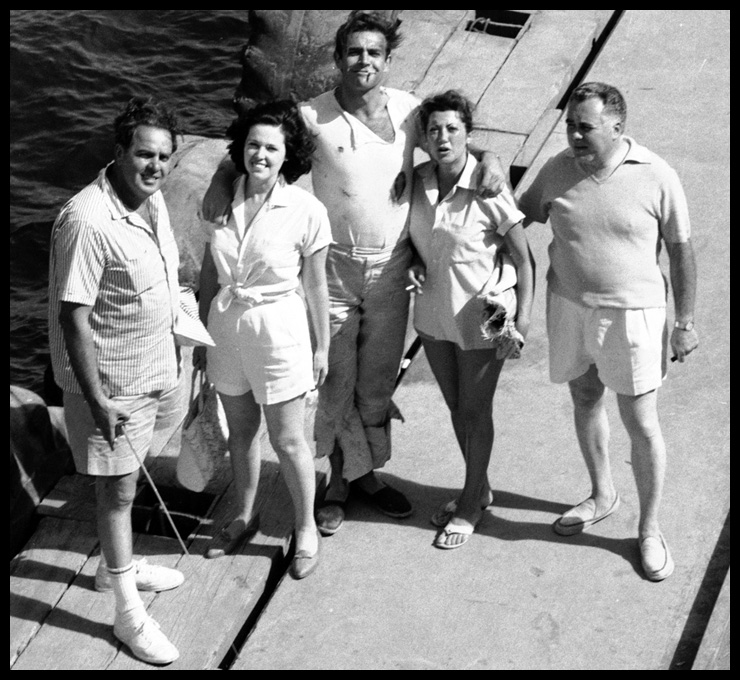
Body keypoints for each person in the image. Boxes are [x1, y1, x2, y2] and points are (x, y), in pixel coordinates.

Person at [203, 10, 507, 537]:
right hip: (334, 269)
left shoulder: (411, 111)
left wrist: (493, 156)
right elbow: (257, 142)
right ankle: (339, 484)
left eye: (373, 53)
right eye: (353, 51)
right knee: (336, 378)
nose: (363, 61)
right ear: (337, 57)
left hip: (393, 270)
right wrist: (222, 174)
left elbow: (453, 142)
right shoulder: (311, 115)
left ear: (388, 61)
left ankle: (365, 475)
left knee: (375, 381)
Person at [518, 82, 699, 581]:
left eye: (585, 127)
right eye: (570, 125)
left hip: (634, 315)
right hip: (569, 307)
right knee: (584, 397)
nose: (575, 135)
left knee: (640, 421)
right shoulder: (557, 169)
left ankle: (649, 528)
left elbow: (682, 252)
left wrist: (684, 322)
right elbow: (516, 216)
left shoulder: (657, 175)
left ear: (618, 127)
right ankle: (602, 494)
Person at [48, 96, 186, 665]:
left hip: (153, 367)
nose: (155, 166)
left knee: (129, 479)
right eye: (144, 155)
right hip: (112, 383)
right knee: (117, 490)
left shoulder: (150, 202)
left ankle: (115, 569)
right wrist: (97, 398)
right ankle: (128, 615)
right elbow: (72, 315)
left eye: (164, 157)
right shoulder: (86, 219)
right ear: (119, 152)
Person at [194, 100, 331, 580]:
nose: (261, 154)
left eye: (272, 147)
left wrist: (322, 347)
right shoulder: (221, 200)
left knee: (289, 439)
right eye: (253, 144)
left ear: (287, 154)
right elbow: (211, 270)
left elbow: (316, 286)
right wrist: (198, 335)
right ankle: (244, 514)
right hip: (225, 330)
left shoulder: (307, 210)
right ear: (241, 149)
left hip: (280, 332)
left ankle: (306, 527)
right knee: (241, 432)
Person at [405, 91, 534, 549]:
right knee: (458, 408)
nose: (443, 137)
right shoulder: (416, 182)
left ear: (468, 135)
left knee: (476, 412)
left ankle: (469, 503)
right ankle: (478, 487)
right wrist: (415, 266)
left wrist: (526, 319)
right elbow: (418, 245)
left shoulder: (488, 186)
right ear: (423, 137)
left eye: (452, 129)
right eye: (434, 129)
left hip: (487, 314)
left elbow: (524, 256)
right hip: (433, 316)